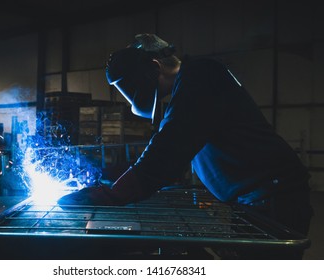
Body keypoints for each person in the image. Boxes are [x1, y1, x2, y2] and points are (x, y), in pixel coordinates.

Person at [58, 34, 312, 250]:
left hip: (275, 198)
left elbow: (167, 153)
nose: (128, 100)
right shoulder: (191, 85)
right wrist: (107, 174)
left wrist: (110, 195)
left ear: (154, 69)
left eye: (127, 89)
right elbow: (166, 149)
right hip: (256, 200)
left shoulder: (201, 76)